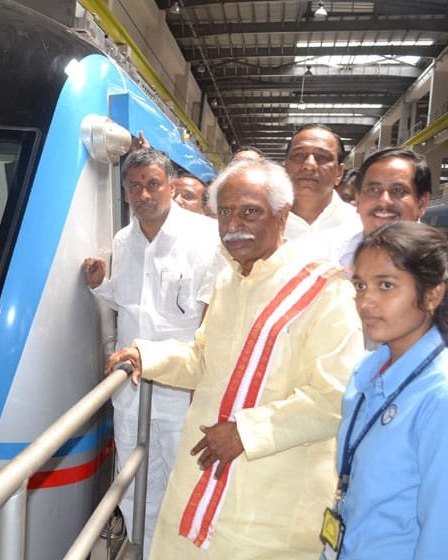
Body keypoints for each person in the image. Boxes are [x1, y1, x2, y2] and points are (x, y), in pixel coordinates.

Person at [108, 159, 363, 559]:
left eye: (250, 212)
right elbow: (204, 359)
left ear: (282, 215)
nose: (232, 225)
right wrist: (147, 355)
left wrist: (247, 432)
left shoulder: (324, 289)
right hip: (206, 479)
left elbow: (335, 397)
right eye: (225, 212)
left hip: (271, 498)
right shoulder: (229, 279)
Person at [82, 148, 220, 556]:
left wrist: (207, 382)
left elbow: (214, 313)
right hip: (133, 390)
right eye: (135, 186)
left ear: (172, 187)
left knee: (186, 484)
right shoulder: (124, 241)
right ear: (125, 192)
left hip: (182, 392)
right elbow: (130, 303)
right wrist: (100, 285)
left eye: (153, 184)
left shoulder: (203, 236)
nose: (145, 194)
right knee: (135, 481)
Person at [321, 221, 448, 560]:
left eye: (386, 285)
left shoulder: (447, 398)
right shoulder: (367, 371)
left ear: (432, 294)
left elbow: (447, 536)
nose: (366, 302)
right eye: (360, 285)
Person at [340, 146, 448, 372]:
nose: (384, 201)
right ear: (357, 199)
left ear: (422, 203)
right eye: (373, 189)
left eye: (398, 191)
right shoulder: (330, 262)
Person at [283, 123, 361, 259]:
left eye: (322, 157)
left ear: (339, 173)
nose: (309, 165)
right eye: (299, 155)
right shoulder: (262, 223)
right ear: (285, 167)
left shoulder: (359, 227)